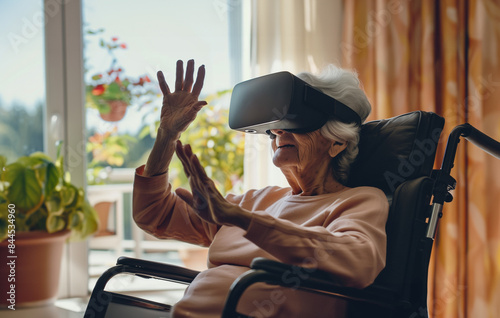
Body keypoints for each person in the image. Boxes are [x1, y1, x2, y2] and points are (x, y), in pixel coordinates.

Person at [133, 59, 389, 318]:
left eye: (295, 122)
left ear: (337, 143)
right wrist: (167, 135)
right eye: (273, 127)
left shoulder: (360, 200)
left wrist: (240, 219)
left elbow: (358, 262)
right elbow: (153, 214)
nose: (277, 130)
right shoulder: (258, 200)